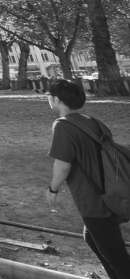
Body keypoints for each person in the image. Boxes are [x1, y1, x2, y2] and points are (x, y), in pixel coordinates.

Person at [46, 79, 130, 278]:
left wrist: (52, 189)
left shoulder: (62, 126)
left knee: (117, 256)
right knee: (92, 238)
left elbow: (63, 165)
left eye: (49, 96)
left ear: (56, 99)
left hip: (93, 200)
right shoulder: (94, 122)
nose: (48, 98)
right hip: (111, 191)